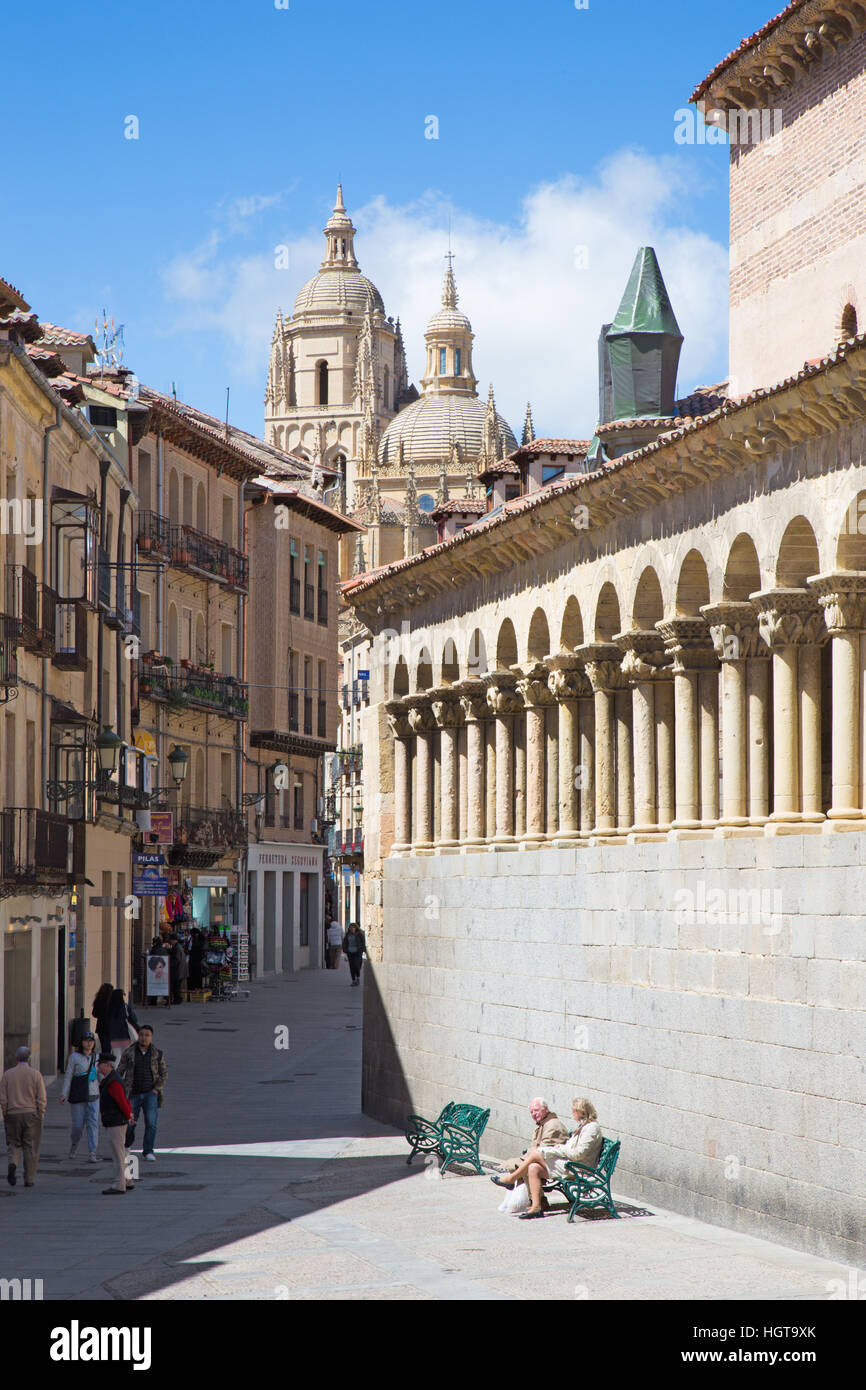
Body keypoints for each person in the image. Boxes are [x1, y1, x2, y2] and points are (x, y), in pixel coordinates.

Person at [492, 1098, 603, 1219]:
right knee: (533, 1167)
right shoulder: (583, 1126)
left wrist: (559, 1149)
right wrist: (560, 1148)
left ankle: (511, 1179)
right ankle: (537, 1207)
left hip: (579, 1168)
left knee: (535, 1155)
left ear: (581, 1111)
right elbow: (570, 1149)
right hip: (571, 1164)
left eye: (574, 1111)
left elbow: (578, 1154)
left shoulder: (591, 1128)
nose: (572, 1114)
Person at [117, 1024, 167, 1162]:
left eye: (147, 1035)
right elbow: (120, 1071)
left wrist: (156, 1089)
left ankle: (148, 1150)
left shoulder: (157, 1053)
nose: (144, 1038)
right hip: (133, 1093)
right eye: (142, 1035)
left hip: (150, 1093)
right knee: (130, 1122)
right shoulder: (129, 1052)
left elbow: (164, 1073)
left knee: (151, 1123)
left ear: (151, 1037)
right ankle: (127, 1145)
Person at [0, 1045, 47, 1188]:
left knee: (14, 1144)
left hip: (12, 1114)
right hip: (31, 1114)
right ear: (29, 1058)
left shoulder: (7, 1074)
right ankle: (29, 1178)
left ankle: (13, 1164)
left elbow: (3, 1098)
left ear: (16, 1058)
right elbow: (41, 1097)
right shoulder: (35, 1074)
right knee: (30, 1147)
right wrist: (41, 1113)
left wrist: (5, 1113)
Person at [60, 1032, 100, 1163]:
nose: (89, 1043)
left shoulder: (97, 1058)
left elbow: (101, 1077)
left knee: (93, 1124)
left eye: (91, 1041)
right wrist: (64, 1094)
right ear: (81, 1042)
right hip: (78, 1096)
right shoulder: (74, 1057)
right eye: (86, 1041)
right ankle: (74, 1144)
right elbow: (68, 1076)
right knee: (77, 1125)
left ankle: (92, 1152)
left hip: (94, 1095)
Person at [97, 1052, 134, 1194]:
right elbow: (125, 1100)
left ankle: (119, 1184)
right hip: (116, 1120)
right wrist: (129, 1114)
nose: (98, 1067)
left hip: (116, 1122)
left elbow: (122, 1101)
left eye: (100, 1064)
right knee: (121, 1152)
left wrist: (128, 1115)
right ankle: (128, 1180)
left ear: (107, 1065)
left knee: (118, 1154)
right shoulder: (112, 1079)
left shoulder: (113, 1082)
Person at [503, 1097, 570, 1174]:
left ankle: (510, 1181)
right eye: (531, 1112)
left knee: (516, 1165)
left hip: (551, 1163)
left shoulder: (552, 1125)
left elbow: (543, 1149)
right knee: (510, 1163)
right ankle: (512, 1182)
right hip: (540, 1158)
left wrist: (528, 1154)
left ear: (546, 1109)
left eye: (536, 1110)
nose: (534, 1114)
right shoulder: (542, 1123)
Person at [106, 988, 139, 1060]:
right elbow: (135, 1019)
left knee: (117, 1057)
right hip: (125, 1035)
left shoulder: (110, 1008)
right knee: (126, 1057)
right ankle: (125, 1070)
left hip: (113, 1037)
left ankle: (117, 1070)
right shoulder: (125, 1006)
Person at [92, 982, 114, 1055]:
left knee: (104, 1047)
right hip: (110, 1027)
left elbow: (94, 1014)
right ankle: (107, 1062)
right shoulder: (112, 1002)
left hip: (101, 1027)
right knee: (109, 1047)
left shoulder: (98, 1001)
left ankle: (104, 1061)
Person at [169, 934, 188, 1004]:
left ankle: (177, 1000)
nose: (170, 941)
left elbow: (176, 960)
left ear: (174, 940)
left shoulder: (177, 948)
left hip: (178, 971)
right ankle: (178, 999)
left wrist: (169, 964)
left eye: (171, 940)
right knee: (176, 986)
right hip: (180, 970)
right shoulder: (177, 947)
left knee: (176, 986)